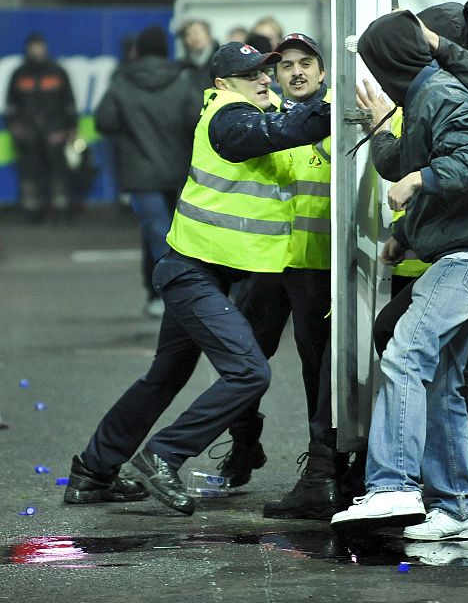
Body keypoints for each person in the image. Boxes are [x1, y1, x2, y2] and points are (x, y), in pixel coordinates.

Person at [63, 42, 331, 515]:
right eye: (254, 75)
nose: (265, 79)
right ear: (223, 84)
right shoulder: (229, 116)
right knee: (249, 372)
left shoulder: (250, 112)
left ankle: (92, 472)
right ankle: (165, 455)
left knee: (163, 377)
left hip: (202, 271)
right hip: (193, 275)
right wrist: (344, 105)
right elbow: (288, 129)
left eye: (266, 71)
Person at [330, 10, 468, 541]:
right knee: (441, 380)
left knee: (404, 355)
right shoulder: (422, 96)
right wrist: (408, 227)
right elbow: (400, 162)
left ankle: (392, 484)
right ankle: (458, 509)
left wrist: (419, 179)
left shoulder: (441, 94)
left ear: (388, 59)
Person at [218, 33, 339, 521]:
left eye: (306, 63)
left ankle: (325, 469)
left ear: (323, 71)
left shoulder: (338, 119)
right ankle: (246, 443)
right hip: (267, 264)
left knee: (318, 370)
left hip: (315, 266)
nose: (296, 73)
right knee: (239, 358)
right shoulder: (264, 118)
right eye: (286, 65)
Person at [94, 25, 199, 318]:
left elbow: (104, 121)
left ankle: (167, 295)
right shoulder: (181, 82)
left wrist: (133, 129)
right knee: (174, 234)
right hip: (178, 171)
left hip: (140, 173)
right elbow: (196, 119)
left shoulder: (122, 82)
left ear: (137, 50)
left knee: (156, 234)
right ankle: (172, 294)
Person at [5, 33, 78, 222]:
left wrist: (71, 128)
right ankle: (31, 212)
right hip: (28, 134)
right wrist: (16, 128)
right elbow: (11, 105)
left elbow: (68, 102)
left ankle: (61, 211)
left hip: (55, 131)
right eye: (33, 46)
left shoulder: (57, 71)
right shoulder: (19, 73)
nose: (37, 50)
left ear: (45, 47)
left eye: (40, 46)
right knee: (29, 174)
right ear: (28, 48)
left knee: (58, 173)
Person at [177, 19, 219, 93]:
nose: (194, 37)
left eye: (197, 32)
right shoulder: (182, 67)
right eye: (188, 34)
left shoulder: (221, 61)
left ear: (208, 35)